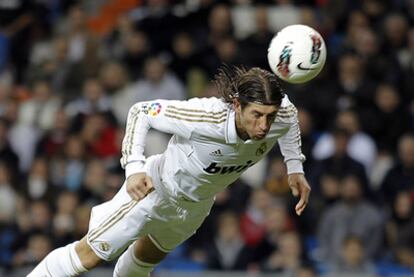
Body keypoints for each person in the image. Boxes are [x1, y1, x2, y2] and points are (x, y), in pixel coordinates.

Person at [27, 66, 311, 277]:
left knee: (142, 262)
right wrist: (134, 168)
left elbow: (290, 118)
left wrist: (294, 167)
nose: (264, 126)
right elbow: (141, 112)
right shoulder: (206, 117)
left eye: (269, 117)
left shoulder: (280, 115)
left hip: (195, 207)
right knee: (87, 257)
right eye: (257, 116)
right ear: (237, 105)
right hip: (155, 191)